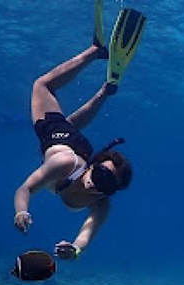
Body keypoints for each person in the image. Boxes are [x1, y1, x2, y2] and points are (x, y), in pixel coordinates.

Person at [13, 4, 146, 260]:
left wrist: (75, 249)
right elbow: (25, 189)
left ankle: (104, 91)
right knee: (42, 85)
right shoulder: (64, 164)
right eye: (99, 173)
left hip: (73, 140)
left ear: (111, 190)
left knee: (71, 124)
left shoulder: (101, 204)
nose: (95, 183)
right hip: (58, 141)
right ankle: (95, 51)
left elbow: (87, 233)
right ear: (92, 167)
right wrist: (21, 211)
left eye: (106, 182)